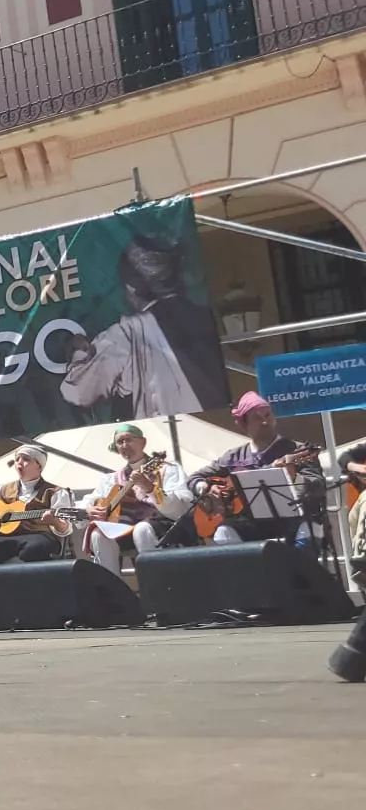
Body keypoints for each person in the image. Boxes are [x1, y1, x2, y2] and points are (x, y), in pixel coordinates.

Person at [60, 233, 231, 419]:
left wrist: (78, 354)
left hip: (170, 433)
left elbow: (78, 393)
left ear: (131, 287)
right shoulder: (207, 316)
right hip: (218, 423)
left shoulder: (128, 333)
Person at [187, 392, 324, 547]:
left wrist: (295, 478)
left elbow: (318, 485)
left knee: (310, 527)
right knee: (224, 531)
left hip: (294, 520)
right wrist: (207, 487)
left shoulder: (297, 450)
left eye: (267, 415)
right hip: (250, 525)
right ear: (243, 425)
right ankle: (247, 571)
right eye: (257, 418)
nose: (264, 421)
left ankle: (297, 570)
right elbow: (193, 478)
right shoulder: (233, 457)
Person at [82, 423, 190, 578]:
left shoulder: (167, 469)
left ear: (143, 442)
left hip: (161, 525)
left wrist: (150, 488)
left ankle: (156, 585)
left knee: (141, 529)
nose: (125, 445)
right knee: (99, 534)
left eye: (129, 440)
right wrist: (89, 509)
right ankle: (111, 592)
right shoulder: (111, 479)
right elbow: (88, 501)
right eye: (120, 442)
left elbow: (181, 507)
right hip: (125, 529)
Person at [0, 446, 76, 568]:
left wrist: (55, 521)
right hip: (8, 538)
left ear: (39, 465)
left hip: (39, 536)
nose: (19, 462)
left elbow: (65, 529)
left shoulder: (55, 492)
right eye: (17, 459)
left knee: (33, 549)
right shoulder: (3, 488)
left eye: (26, 459)